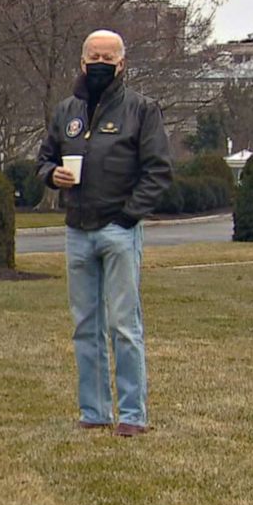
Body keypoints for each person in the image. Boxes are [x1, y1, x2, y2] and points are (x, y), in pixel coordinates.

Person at [36, 30, 172, 437]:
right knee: (86, 325)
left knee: (124, 326)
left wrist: (129, 216)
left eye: (107, 56)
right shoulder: (66, 112)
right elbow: (44, 158)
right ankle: (93, 410)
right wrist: (51, 175)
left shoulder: (142, 110)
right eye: (93, 55)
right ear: (81, 62)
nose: (100, 62)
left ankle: (132, 415)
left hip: (119, 230)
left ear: (121, 63)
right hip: (77, 230)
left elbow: (159, 170)